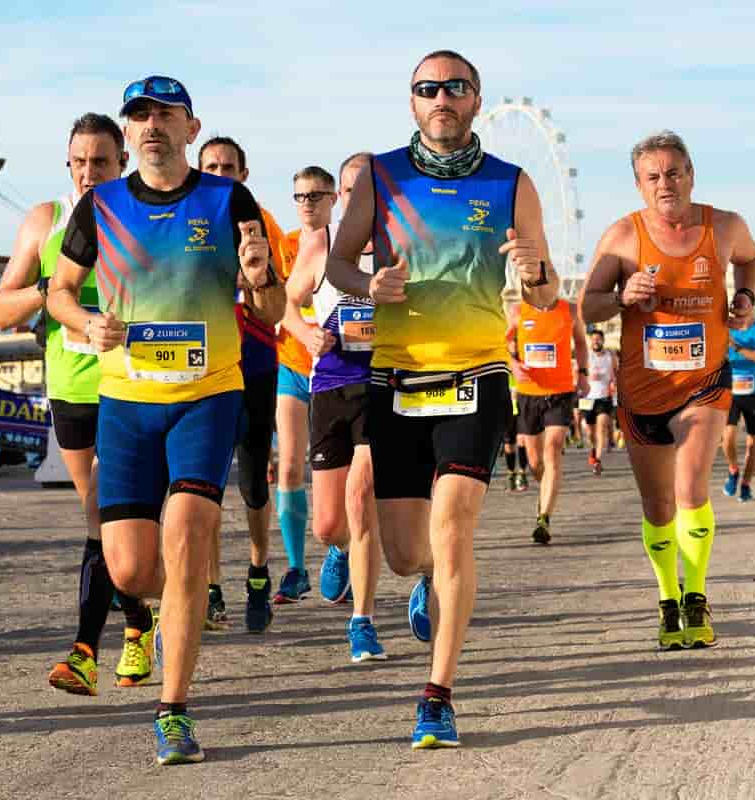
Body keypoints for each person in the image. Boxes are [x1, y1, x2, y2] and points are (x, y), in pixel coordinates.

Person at [325, 50, 555, 748]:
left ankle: (438, 695)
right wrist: (369, 286)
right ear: (413, 103)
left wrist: (534, 274)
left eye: (456, 87)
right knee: (404, 553)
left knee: (453, 527)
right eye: (428, 88)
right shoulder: (381, 175)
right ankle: (424, 577)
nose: (442, 98)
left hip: (477, 375)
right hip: (396, 378)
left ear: (476, 100)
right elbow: (339, 264)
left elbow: (546, 293)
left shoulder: (511, 182)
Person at [48, 75, 274, 765]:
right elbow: (58, 292)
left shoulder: (228, 200)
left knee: (187, 535)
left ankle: (173, 708)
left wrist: (261, 274)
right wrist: (85, 320)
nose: (151, 125)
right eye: (140, 115)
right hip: (126, 403)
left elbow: (269, 309)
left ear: (190, 128)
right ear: (130, 130)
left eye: (165, 114)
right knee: (130, 570)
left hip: (208, 396)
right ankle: (170, 605)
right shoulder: (101, 205)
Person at [580, 130, 755, 650]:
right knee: (658, 506)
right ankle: (668, 596)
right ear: (639, 185)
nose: (666, 184)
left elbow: (751, 259)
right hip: (642, 391)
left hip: (704, 383)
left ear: (691, 175)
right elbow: (588, 305)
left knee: (689, 490)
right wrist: (621, 297)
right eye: (653, 176)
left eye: (674, 172)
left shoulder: (724, 226)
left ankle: (696, 594)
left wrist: (745, 296)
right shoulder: (622, 236)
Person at [0, 113, 152, 697]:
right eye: (79, 162)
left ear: (122, 163)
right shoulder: (46, 220)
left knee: (103, 513)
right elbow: (1, 311)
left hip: (130, 384)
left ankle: (85, 650)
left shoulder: (142, 217)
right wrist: (50, 289)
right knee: (101, 518)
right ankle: (138, 621)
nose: (89, 172)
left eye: (101, 162)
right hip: (71, 388)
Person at [282, 156, 387, 662]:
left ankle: (362, 621)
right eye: (349, 189)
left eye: (368, 187)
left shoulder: (396, 249)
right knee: (328, 524)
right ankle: (339, 549)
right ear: (339, 197)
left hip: (382, 387)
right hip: (329, 387)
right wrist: (306, 333)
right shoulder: (322, 246)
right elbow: (285, 303)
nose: (357, 196)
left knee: (362, 497)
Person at [197, 135, 288, 633]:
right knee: (204, 484)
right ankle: (211, 587)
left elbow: (276, 304)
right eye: (210, 167)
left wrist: (254, 277)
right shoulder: (186, 222)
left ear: (243, 175)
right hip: (205, 366)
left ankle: (257, 571)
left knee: (253, 482)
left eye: (228, 167)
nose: (219, 175)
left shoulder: (261, 223)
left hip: (254, 362)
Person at [270, 186, 325, 606]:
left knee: (333, 472)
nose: (307, 202)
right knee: (289, 465)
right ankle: (295, 567)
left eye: (317, 195)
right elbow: (277, 301)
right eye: (300, 196)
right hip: (291, 365)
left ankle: (341, 549)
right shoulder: (284, 245)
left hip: (336, 370)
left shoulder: (345, 246)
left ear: (334, 200)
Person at [507, 298, 589, 543]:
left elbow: (581, 342)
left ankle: (544, 517)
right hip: (529, 394)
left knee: (552, 449)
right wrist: (513, 364)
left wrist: (583, 374)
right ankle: (545, 495)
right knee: (534, 462)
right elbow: (500, 344)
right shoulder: (517, 310)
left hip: (560, 392)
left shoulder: (570, 309)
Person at [722, 316, 755, 501]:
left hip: (754, 392)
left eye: (743, 303)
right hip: (730, 390)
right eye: (735, 303)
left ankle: (746, 484)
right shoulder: (723, 325)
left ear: (751, 306)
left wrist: (736, 347)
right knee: (727, 437)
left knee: (753, 443)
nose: (738, 306)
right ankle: (733, 470)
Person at [582, 329, 618, 474]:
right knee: (589, 432)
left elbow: (616, 372)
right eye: (593, 339)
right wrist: (587, 376)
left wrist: (614, 382)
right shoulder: (585, 356)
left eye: (598, 339)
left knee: (601, 427)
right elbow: (578, 373)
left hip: (604, 397)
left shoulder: (610, 356)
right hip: (587, 397)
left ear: (603, 340)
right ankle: (593, 449)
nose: (596, 342)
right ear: (590, 341)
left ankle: (597, 460)